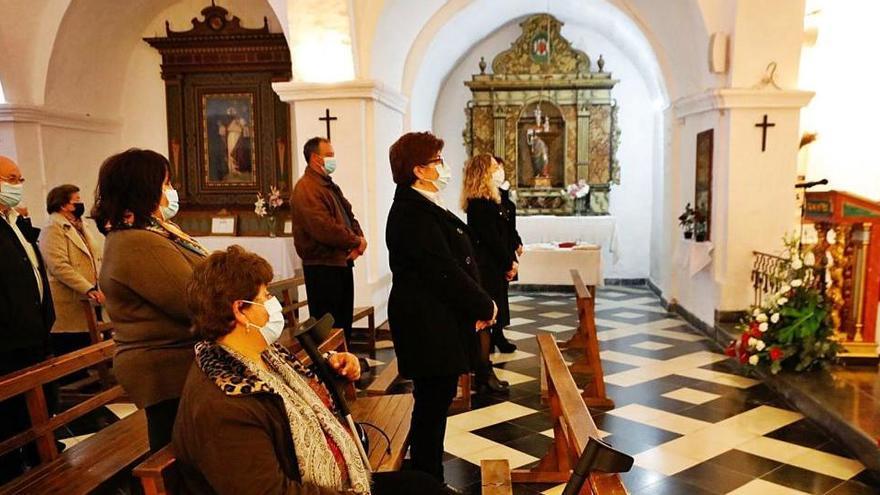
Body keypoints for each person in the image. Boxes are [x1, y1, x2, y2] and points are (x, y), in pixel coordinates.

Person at [173, 246, 448, 495]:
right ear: (240, 312)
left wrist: (337, 372)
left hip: (332, 482)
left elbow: (304, 406)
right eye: (266, 296)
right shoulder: (223, 406)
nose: (274, 304)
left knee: (423, 486)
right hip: (314, 489)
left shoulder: (260, 355)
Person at [386, 132, 496, 484]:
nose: (445, 168)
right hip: (426, 324)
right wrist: (484, 303)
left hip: (436, 320)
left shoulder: (423, 203)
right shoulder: (410, 212)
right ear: (419, 169)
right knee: (432, 405)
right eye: (438, 161)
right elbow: (443, 270)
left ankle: (427, 478)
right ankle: (426, 480)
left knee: (435, 402)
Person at [93, 149, 208, 452]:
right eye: (165, 183)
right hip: (165, 369)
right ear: (144, 188)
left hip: (176, 362)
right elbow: (190, 299)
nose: (171, 191)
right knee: (175, 450)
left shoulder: (154, 234)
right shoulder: (138, 242)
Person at [0, 156, 55, 482]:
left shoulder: (11, 221)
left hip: (33, 335)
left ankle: (41, 466)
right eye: (10, 178)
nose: (17, 185)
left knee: (36, 413)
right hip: (7, 343)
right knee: (10, 420)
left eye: (20, 179)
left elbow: (31, 266)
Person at [291, 137, 366, 343]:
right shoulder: (307, 188)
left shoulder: (327, 185)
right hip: (323, 267)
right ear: (316, 158)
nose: (333, 160)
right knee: (329, 327)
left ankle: (345, 362)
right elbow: (324, 229)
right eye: (330, 155)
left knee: (343, 322)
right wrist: (355, 242)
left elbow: (348, 213)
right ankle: (331, 368)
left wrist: (359, 238)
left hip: (339, 263)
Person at [462, 154, 518, 394]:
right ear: (483, 173)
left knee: (491, 317)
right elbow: (492, 240)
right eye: (494, 168)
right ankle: (483, 373)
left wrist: (509, 260)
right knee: (485, 318)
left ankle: (484, 370)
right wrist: (508, 263)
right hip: (486, 267)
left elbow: (504, 233)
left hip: (493, 266)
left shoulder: (491, 200)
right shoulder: (480, 203)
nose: (499, 171)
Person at [39, 184, 104, 355]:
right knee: (72, 348)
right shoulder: (53, 228)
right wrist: (87, 287)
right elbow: (58, 265)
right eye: (76, 200)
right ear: (63, 205)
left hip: (90, 296)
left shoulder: (81, 225)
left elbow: (94, 256)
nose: (80, 203)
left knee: (90, 347)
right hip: (70, 299)